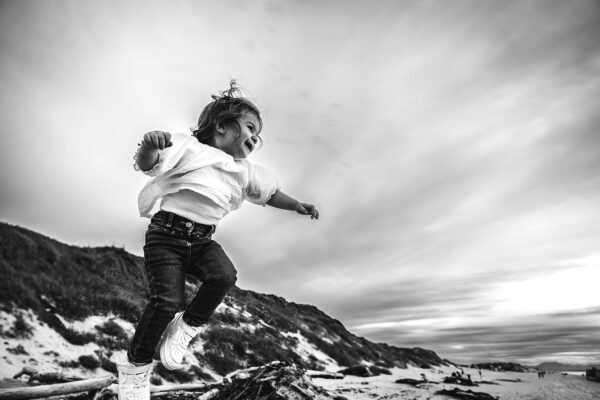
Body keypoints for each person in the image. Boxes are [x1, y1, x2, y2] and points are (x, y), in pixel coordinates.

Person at [118, 81, 319, 400]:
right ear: (221, 126)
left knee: (224, 276)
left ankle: (186, 326)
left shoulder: (246, 171)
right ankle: (134, 373)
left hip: (201, 241)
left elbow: (270, 195)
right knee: (165, 301)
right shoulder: (187, 148)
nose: (255, 137)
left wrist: (296, 204)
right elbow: (149, 165)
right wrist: (150, 144)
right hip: (165, 236)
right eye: (250, 127)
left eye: (258, 133)